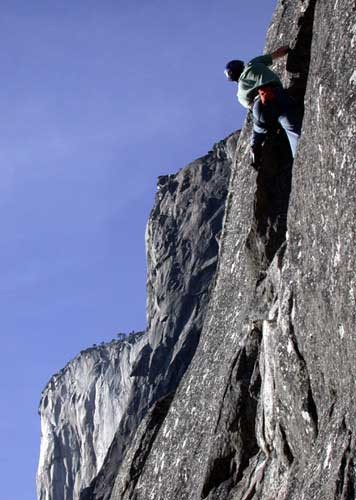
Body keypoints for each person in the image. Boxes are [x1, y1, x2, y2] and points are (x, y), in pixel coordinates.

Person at [224, 46, 301, 169]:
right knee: (292, 129)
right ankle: (299, 158)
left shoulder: (239, 95)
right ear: (241, 66)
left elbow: (251, 108)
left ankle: (255, 146)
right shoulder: (252, 65)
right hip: (275, 95)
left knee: (258, 128)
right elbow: (277, 53)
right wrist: (289, 47)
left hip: (259, 108)